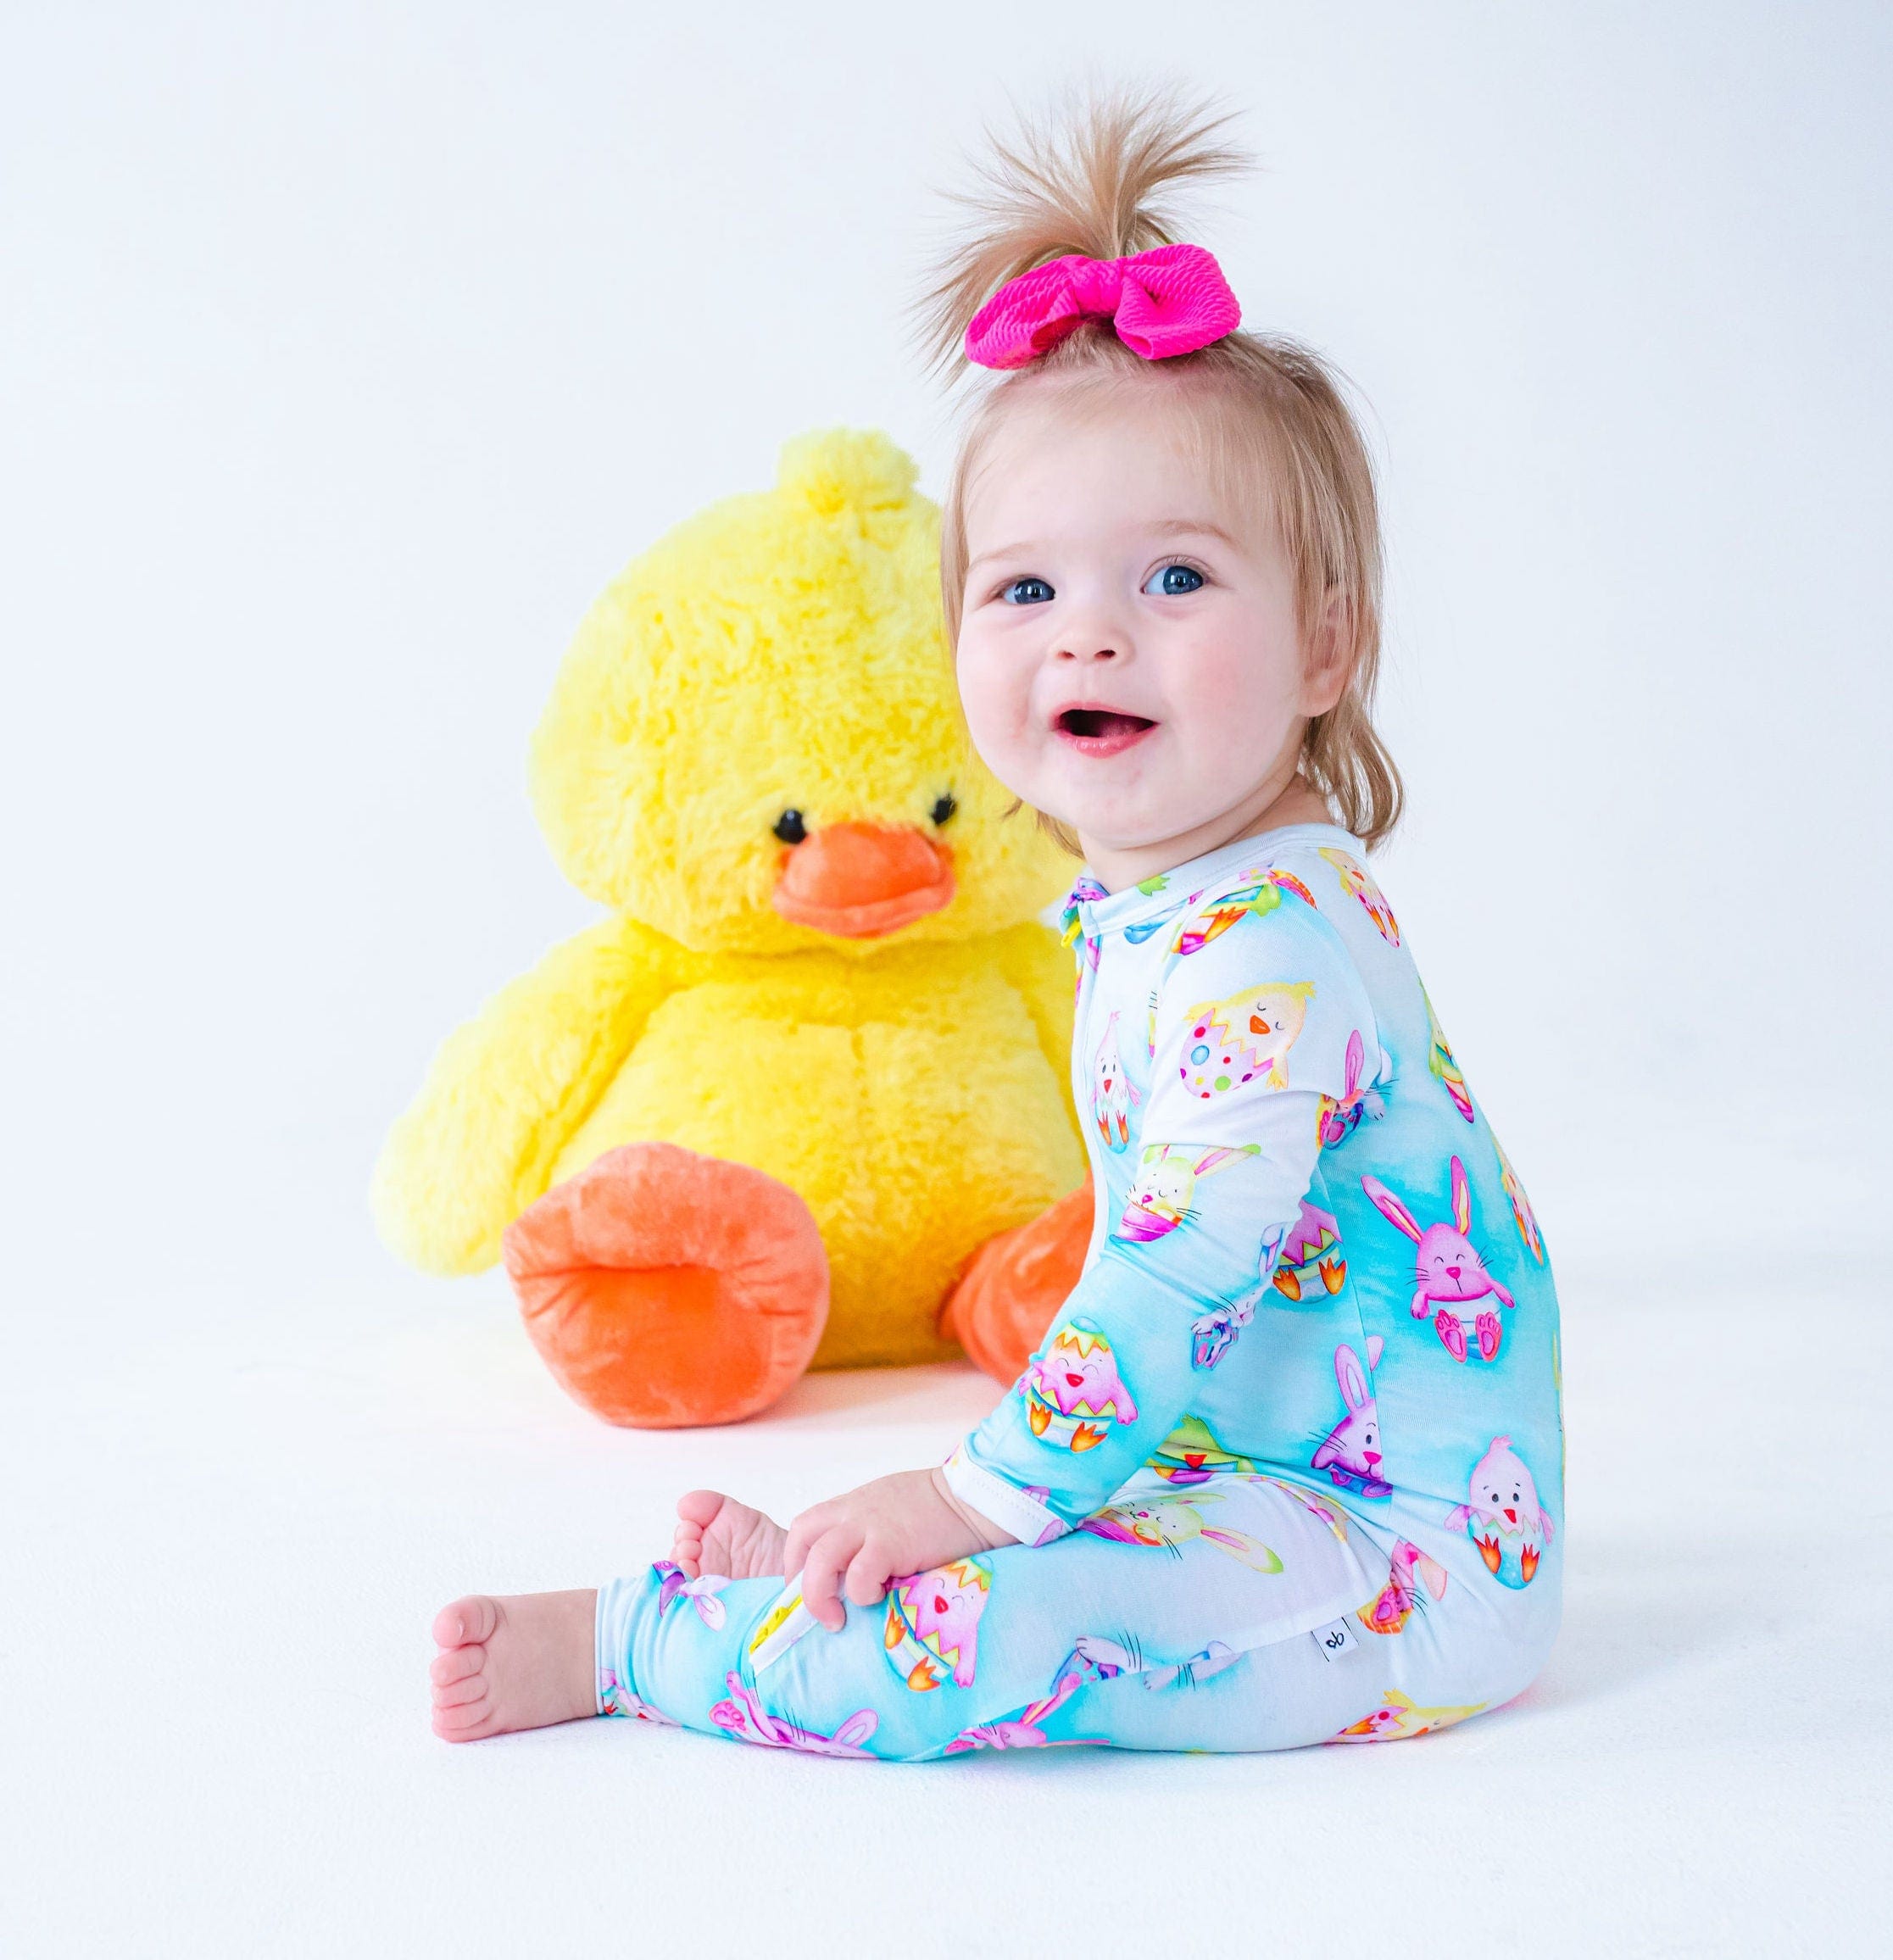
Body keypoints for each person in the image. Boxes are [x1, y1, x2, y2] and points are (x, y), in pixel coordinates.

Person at [427, 88, 1562, 1760]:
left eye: (1173, 579)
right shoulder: (1162, 906)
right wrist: (981, 1495)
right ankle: (795, 1593)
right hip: (1218, 1471)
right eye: (1025, 589)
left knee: (984, 1630)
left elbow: (1178, 1272)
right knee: (991, 1538)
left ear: (1326, 647)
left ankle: (642, 1644)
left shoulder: (1267, 953)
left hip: (1401, 1563)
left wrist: (966, 1498)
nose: (1087, 638)